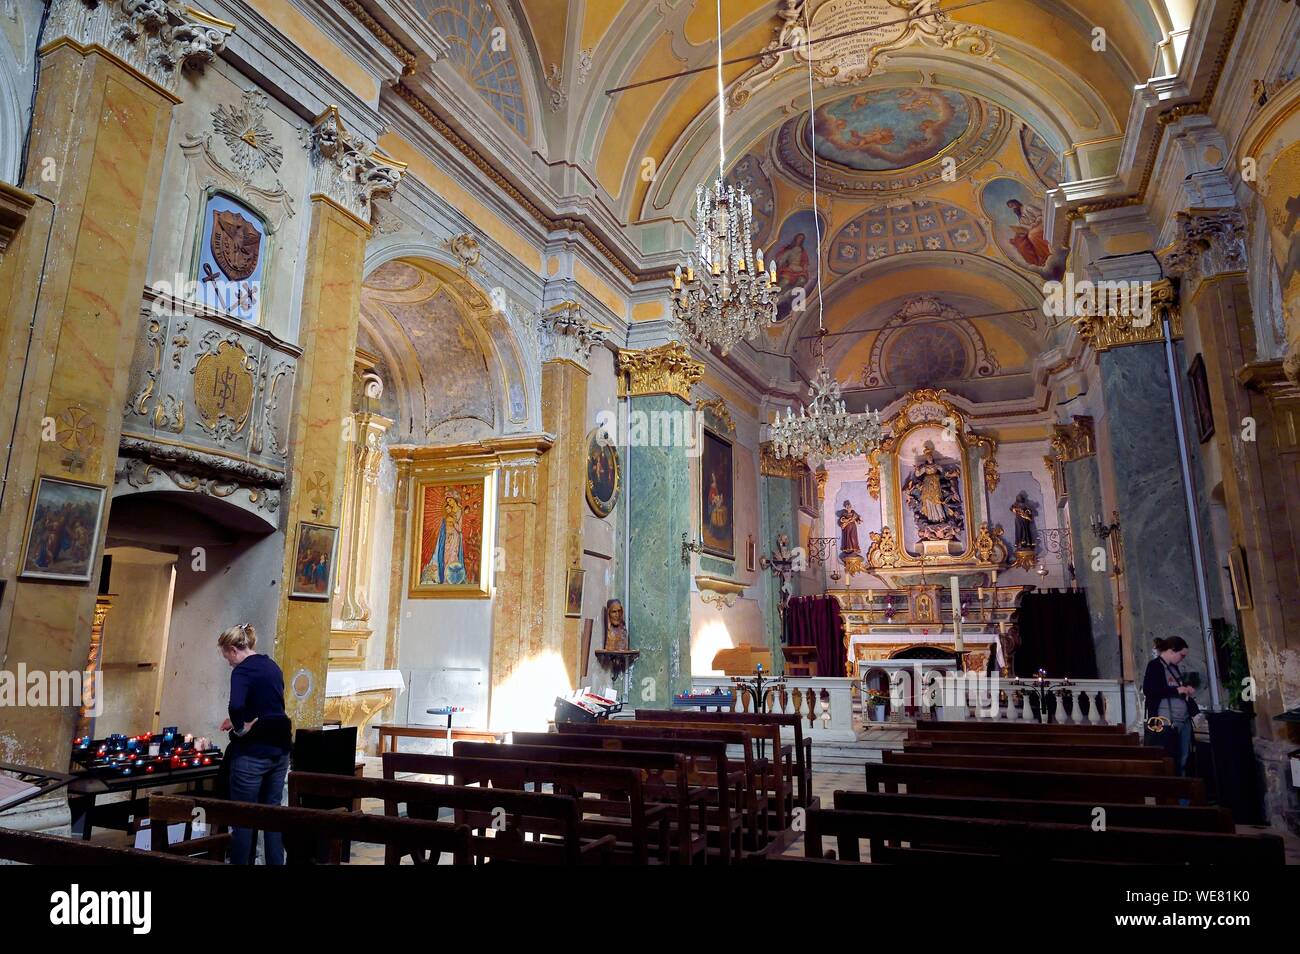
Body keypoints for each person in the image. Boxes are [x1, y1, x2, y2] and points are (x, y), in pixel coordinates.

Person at [218, 623, 292, 864]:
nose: (228, 662)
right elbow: (270, 705)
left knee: (243, 816)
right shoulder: (271, 665)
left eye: (226, 656)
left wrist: (239, 727)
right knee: (272, 814)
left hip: (253, 753)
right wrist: (241, 720)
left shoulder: (242, 671)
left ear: (232, 649)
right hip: (280, 749)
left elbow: (236, 705)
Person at [1142, 636, 1197, 776]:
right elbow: (1149, 690)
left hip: (1183, 719)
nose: (1182, 658)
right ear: (1172, 650)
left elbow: (1174, 686)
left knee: (1183, 758)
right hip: (1166, 721)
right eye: (1182, 655)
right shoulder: (1154, 666)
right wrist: (1176, 690)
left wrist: (1186, 688)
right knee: (1170, 759)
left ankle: (1183, 795)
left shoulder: (1174, 667)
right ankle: (1174, 795)